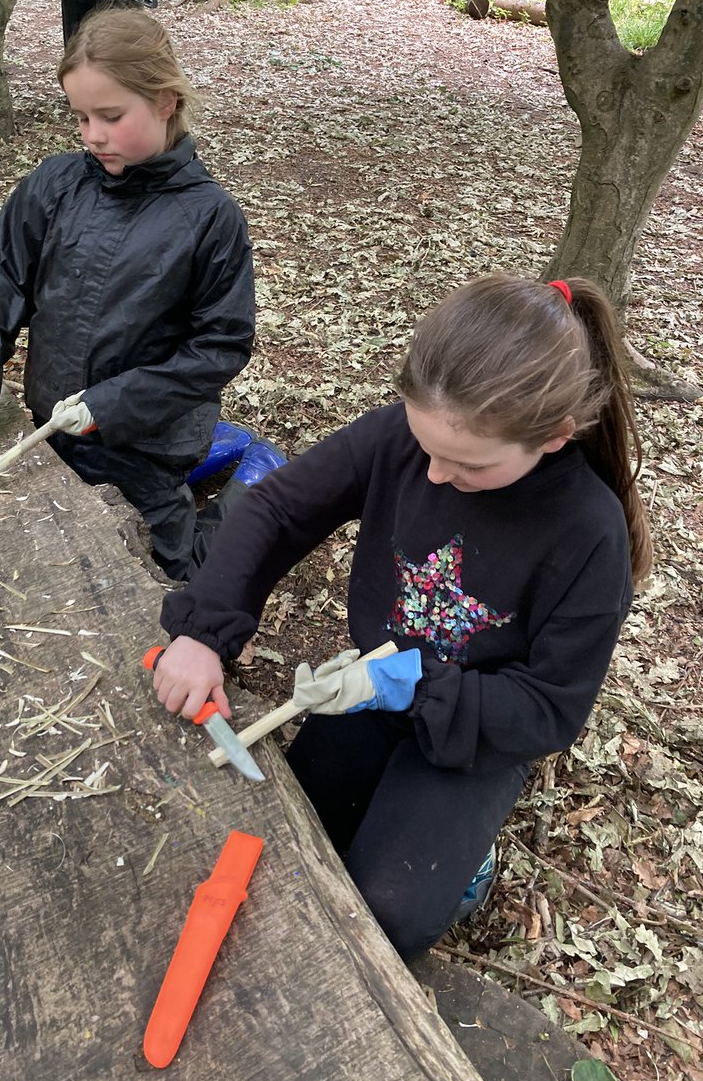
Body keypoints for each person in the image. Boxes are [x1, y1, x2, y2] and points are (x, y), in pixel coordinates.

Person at [149, 273, 652, 962]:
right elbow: (276, 508)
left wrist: (414, 686)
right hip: (373, 694)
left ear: (556, 436)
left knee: (388, 914)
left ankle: (469, 866)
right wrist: (205, 631)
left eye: (467, 465)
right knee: (296, 838)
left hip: (480, 727)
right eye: (428, 447)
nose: (436, 475)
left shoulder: (590, 535)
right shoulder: (403, 440)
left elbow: (548, 710)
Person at [0, 7, 257, 581]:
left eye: (110, 115)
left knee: (170, 581)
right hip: (51, 427)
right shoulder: (55, 185)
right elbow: (1, 281)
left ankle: (250, 505)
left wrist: (111, 405)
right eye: (79, 117)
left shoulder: (210, 218)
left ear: (165, 102)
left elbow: (220, 346)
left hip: (146, 447)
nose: (92, 135)